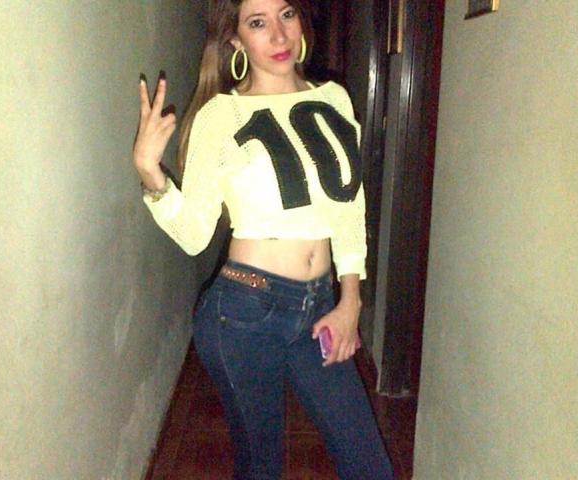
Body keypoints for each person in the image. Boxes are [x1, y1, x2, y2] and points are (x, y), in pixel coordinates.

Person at [133, 0, 394, 478]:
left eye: (286, 14)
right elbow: (194, 235)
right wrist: (152, 173)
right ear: (235, 39)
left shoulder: (334, 99)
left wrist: (350, 300)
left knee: (369, 464)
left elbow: (349, 208)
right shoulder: (220, 116)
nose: (278, 34)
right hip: (243, 313)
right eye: (258, 22)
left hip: (320, 307)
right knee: (261, 467)